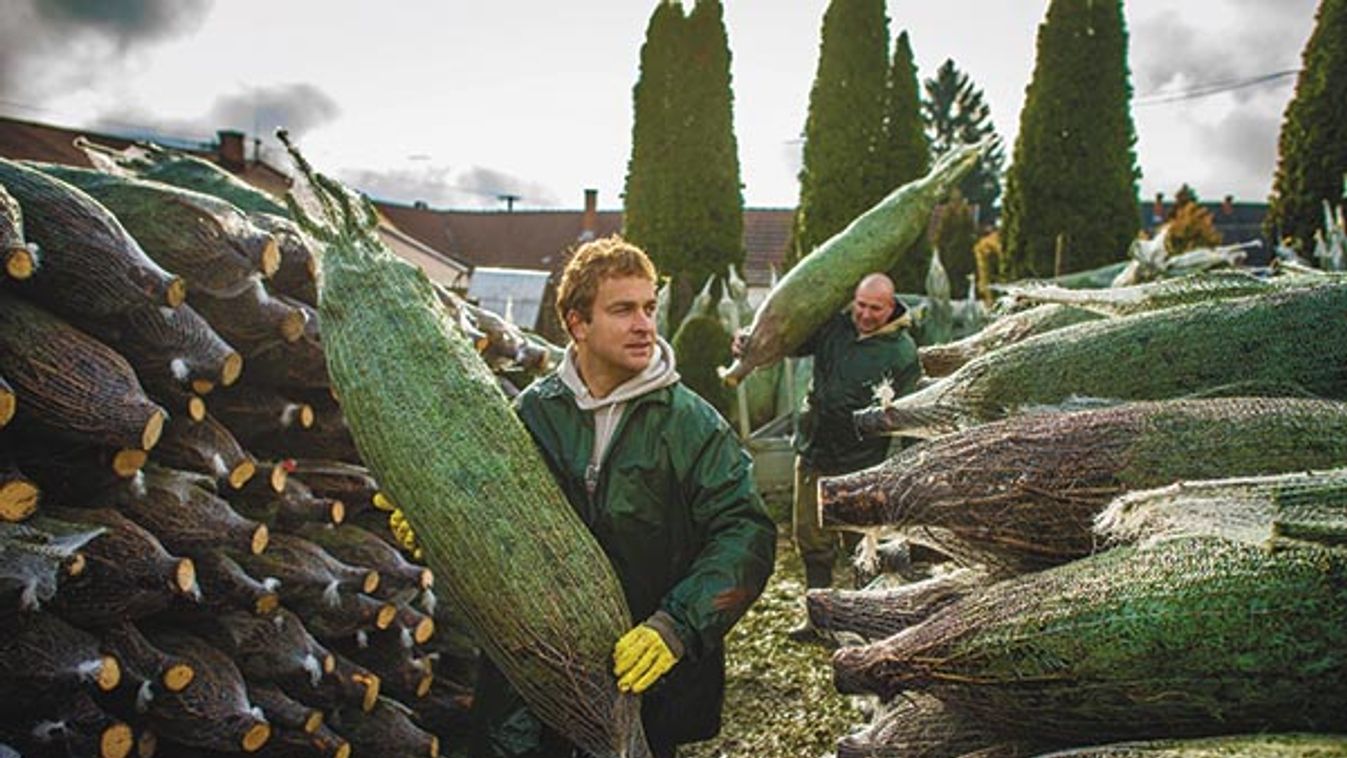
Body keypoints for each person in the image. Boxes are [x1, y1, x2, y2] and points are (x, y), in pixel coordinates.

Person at [470, 235, 777, 758]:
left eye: (649, 307)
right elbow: (495, 522)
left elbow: (746, 535)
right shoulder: (533, 415)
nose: (645, 324)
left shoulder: (692, 426)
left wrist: (675, 627)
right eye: (623, 309)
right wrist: (438, 523)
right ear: (577, 323)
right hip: (547, 674)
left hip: (649, 684)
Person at [739, 272, 919, 644]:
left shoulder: (901, 352)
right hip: (814, 451)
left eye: (875, 308)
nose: (865, 314)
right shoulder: (834, 328)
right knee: (812, 541)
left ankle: (861, 624)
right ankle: (818, 621)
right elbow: (790, 342)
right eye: (861, 305)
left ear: (892, 307)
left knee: (860, 546)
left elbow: (904, 414)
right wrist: (751, 342)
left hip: (861, 462)